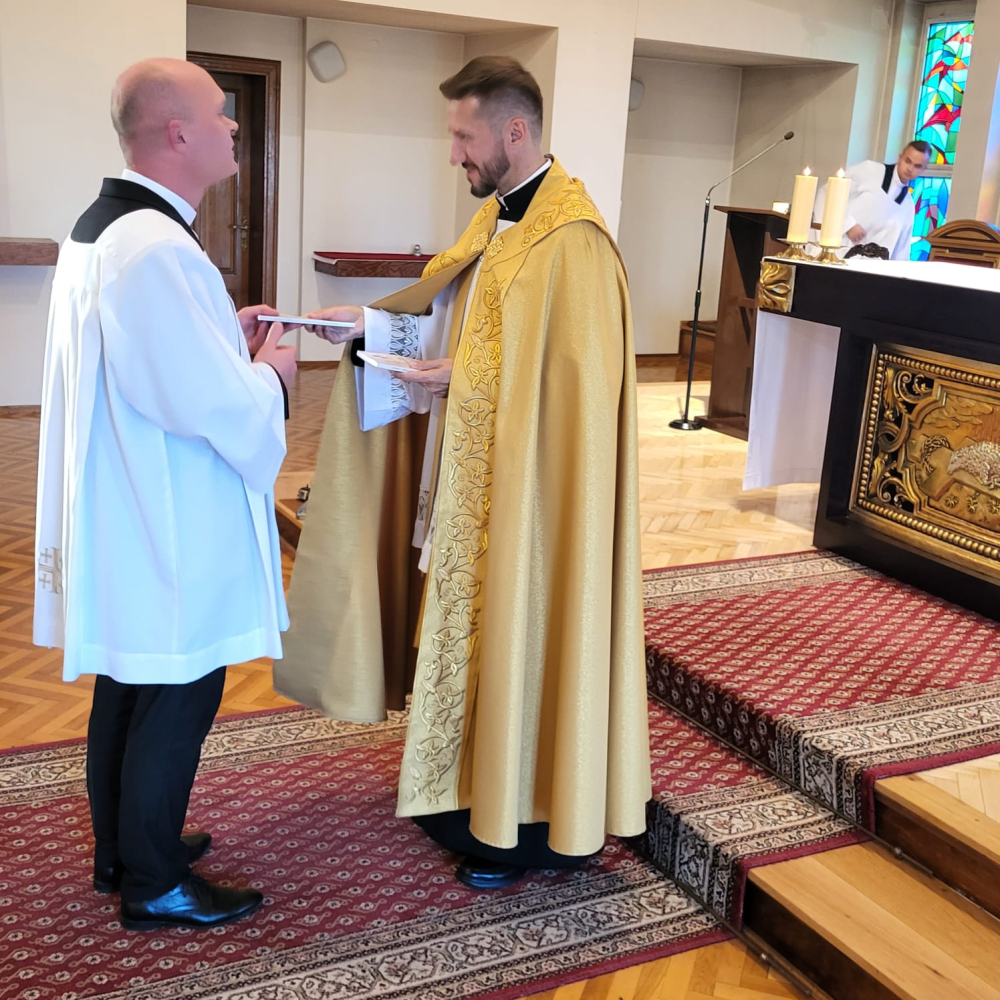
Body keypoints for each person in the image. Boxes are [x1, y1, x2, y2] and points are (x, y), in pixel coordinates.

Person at [274, 56, 651, 889]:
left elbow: (577, 397)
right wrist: (367, 325)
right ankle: (460, 793)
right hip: (467, 476)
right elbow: (450, 318)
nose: (454, 155)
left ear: (514, 131)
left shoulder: (574, 243)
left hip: (532, 503)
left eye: (463, 136)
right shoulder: (494, 225)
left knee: (520, 629)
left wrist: (466, 377)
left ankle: (525, 827)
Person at [34, 58, 297, 930]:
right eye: (221, 115)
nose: (234, 127)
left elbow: (154, 360)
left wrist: (223, 330)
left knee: (131, 679)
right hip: (167, 511)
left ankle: (123, 849)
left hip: (127, 497)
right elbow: (202, 401)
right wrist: (272, 375)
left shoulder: (106, 229)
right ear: (176, 133)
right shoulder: (154, 247)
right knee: (180, 689)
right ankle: (154, 884)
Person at [812, 140, 932, 261]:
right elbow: (829, 192)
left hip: (869, 267)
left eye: (917, 166)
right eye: (908, 161)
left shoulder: (908, 206)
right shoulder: (870, 170)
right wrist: (848, 224)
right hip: (837, 254)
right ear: (900, 158)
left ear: (923, 169)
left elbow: (901, 251)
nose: (910, 169)